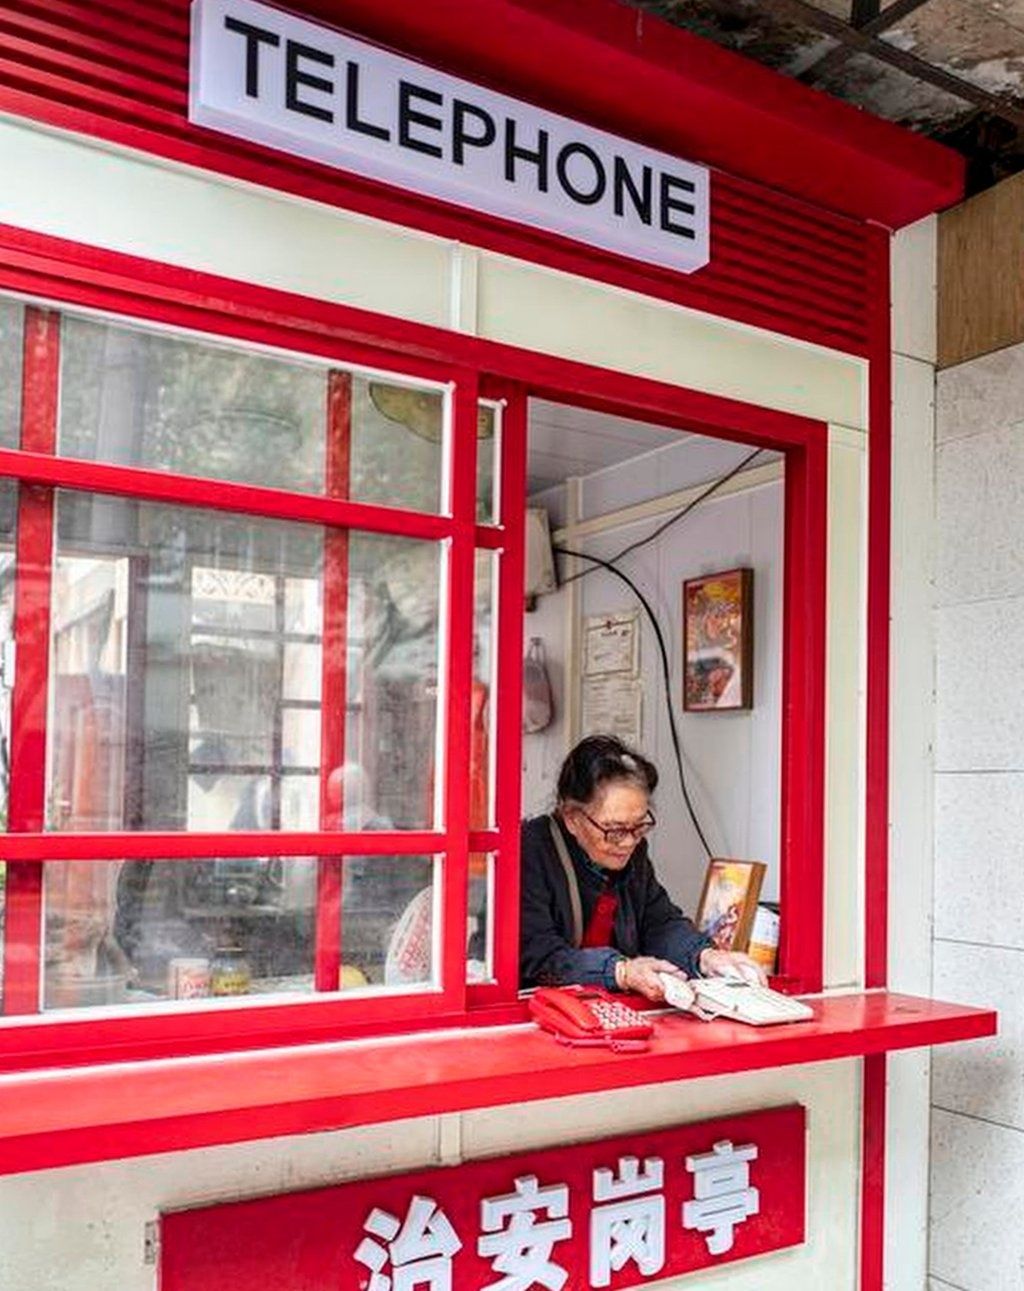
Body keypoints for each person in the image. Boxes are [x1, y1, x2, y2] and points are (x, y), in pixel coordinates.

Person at [520, 734, 767, 1002]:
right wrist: (620, 971)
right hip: (534, 1014)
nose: (628, 842)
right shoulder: (531, 851)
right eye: (614, 830)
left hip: (609, 1009)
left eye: (639, 826)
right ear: (572, 818)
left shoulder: (633, 852)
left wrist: (705, 956)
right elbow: (538, 954)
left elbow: (658, 922)